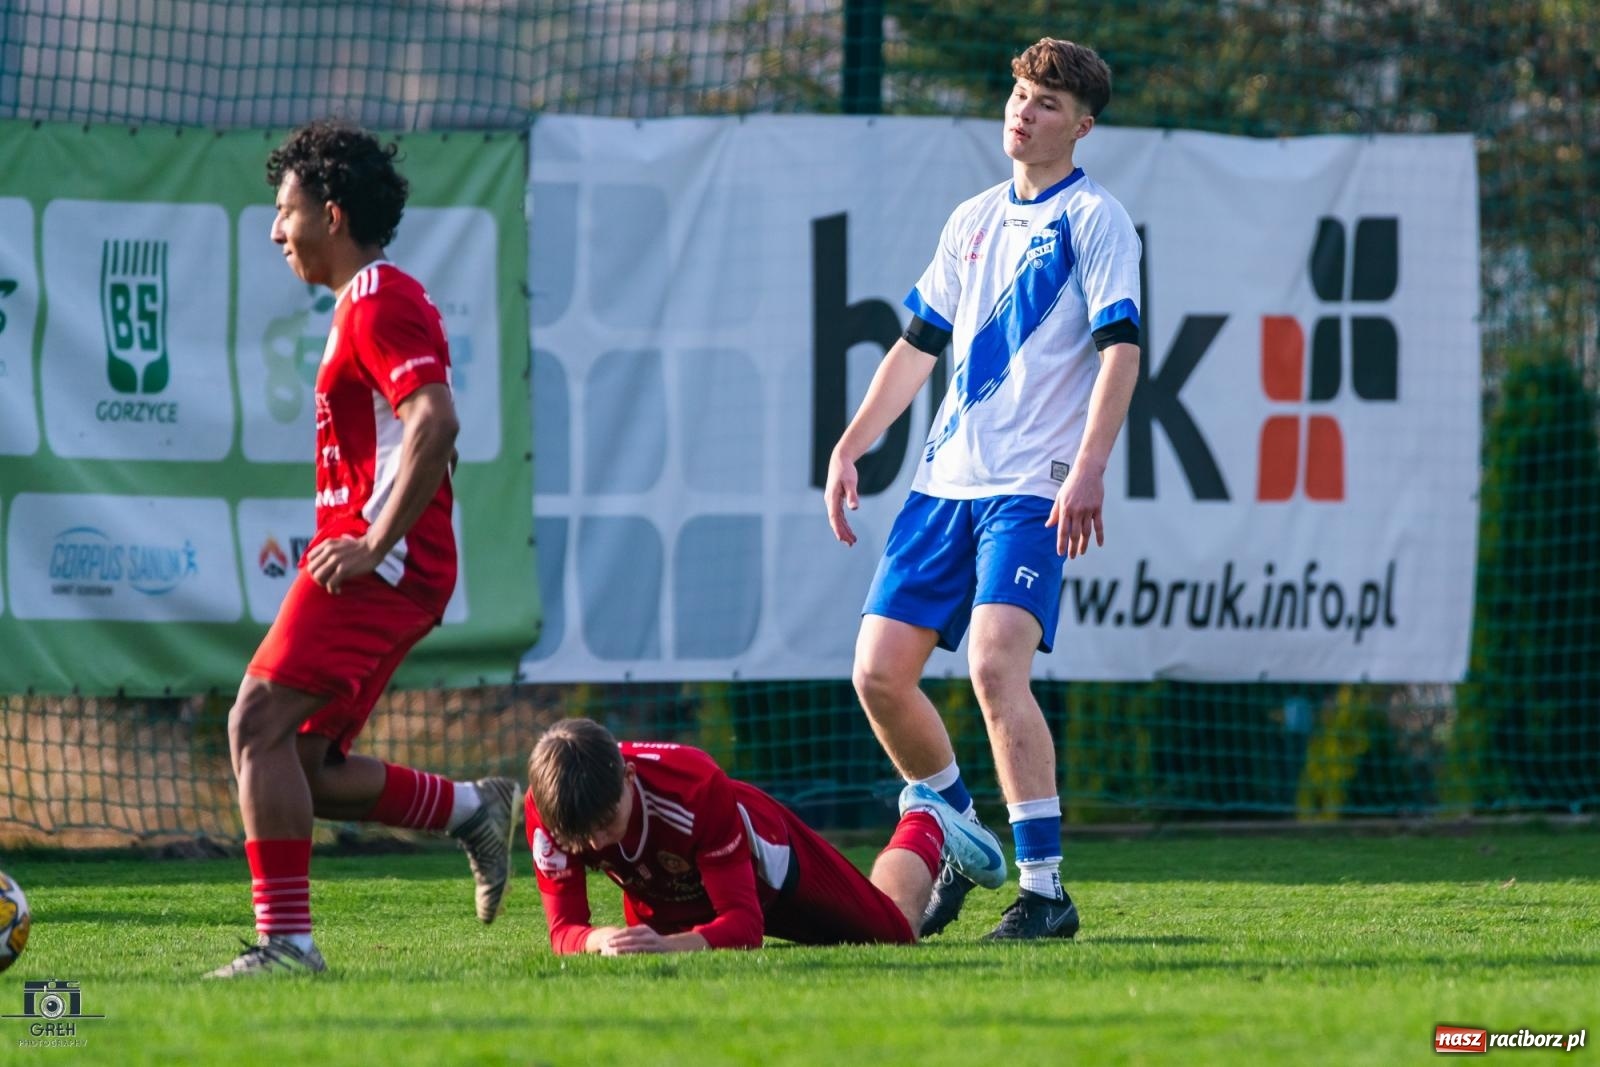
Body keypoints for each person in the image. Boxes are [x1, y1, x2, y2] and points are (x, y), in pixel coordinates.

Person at [824, 38, 1142, 940]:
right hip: (942, 485)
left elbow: (1121, 351)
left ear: (1081, 126)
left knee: (995, 664)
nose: (1023, 111)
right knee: (877, 674)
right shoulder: (969, 219)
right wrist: (852, 443)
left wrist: (1086, 470)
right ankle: (962, 823)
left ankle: (1044, 890)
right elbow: (916, 346)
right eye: (1018, 94)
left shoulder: (1098, 221)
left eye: (1045, 102)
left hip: (1030, 491)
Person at [206, 121, 519, 978]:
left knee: (254, 721)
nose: (277, 231)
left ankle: (287, 947)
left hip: (383, 563)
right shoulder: (368, 301)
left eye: (286, 211)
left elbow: (437, 421)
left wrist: (373, 536)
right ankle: (472, 809)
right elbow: (423, 431)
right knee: (305, 759)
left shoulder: (379, 297)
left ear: (332, 215)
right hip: (393, 562)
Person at [523, 717, 1006, 954]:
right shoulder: (550, 807)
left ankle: (927, 819)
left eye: (607, 824)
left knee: (896, 933)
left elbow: (744, 925)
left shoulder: (694, 787)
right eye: (579, 839)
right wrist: (598, 940)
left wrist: (671, 945)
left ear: (629, 776)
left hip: (768, 869)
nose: (595, 846)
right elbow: (564, 930)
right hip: (666, 887)